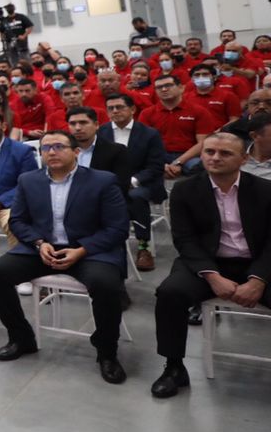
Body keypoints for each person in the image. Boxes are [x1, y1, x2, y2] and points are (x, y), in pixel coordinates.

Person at [0, 130, 130, 384]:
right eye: (45, 148)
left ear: (76, 152)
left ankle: (107, 351)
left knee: (106, 284)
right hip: (42, 249)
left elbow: (117, 228)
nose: (51, 152)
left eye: (59, 146)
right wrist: (39, 243)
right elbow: (17, 221)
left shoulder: (102, 181)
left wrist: (82, 250)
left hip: (89, 251)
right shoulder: (29, 180)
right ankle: (21, 337)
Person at [150, 130, 271, 398]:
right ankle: (173, 367)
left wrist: (258, 279)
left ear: (243, 159)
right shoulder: (185, 189)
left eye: (225, 153)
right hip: (207, 261)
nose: (215, 158)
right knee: (171, 293)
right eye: (209, 152)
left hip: (259, 262)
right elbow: (184, 239)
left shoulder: (265, 190)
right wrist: (212, 276)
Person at [99, 94, 166, 270]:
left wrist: (132, 180)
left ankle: (144, 248)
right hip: (110, 182)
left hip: (142, 182)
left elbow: (156, 166)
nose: (115, 111)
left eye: (119, 107)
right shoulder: (101, 132)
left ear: (132, 109)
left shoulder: (149, 134)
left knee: (135, 197)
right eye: (111, 108)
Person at [143, 74, 220, 178]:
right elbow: (145, 143)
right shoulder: (147, 113)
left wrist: (178, 162)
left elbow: (203, 142)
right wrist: (162, 165)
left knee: (202, 167)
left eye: (168, 85)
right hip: (160, 155)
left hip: (190, 156)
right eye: (159, 87)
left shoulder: (199, 111)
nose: (164, 89)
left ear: (181, 88)